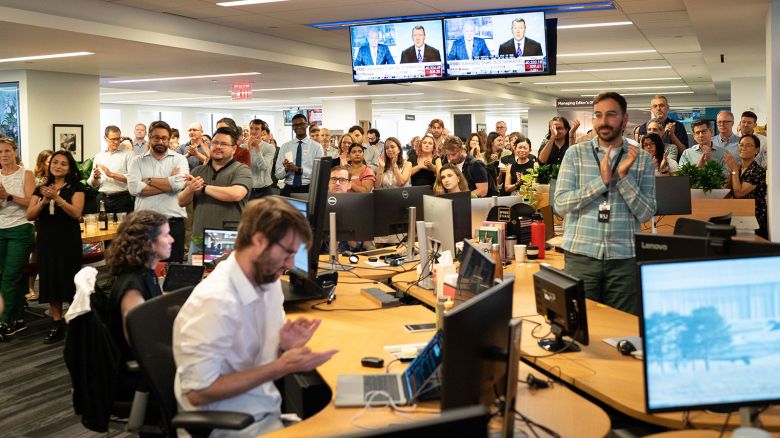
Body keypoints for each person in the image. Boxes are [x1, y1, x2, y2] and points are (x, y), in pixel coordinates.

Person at [173, 197, 338, 436]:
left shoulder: (266, 280)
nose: (291, 264)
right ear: (259, 241)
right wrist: (280, 367)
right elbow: (198, 394)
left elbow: (253, 353)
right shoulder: (215, 302)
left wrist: (283, 345)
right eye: (288, 252)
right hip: (228, 427)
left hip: (262, 411)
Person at [554, 92, 656, 314]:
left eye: (611, 114)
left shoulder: (642, 159)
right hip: (581, 256)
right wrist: (602, 181)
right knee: (580, 325)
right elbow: (560, 204)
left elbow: (646, 213)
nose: (604, 121)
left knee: (622, 329)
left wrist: (622, 178)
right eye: (598, 115)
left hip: (624, 259)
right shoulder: (575, 154)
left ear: (624, 119)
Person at [106, 210, 172, 403]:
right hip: (140, 377)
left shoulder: (145, 274)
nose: (172, 240)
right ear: (148, 243)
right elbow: (140, 342)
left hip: (152, 367)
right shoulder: (132, 287)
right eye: (166, 235)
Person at [27, 150, 85, 343]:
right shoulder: (40, 188)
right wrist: (44, 200)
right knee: (51, 280)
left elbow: (76, 213)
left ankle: (78, 322)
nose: (58, 166)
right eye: (55, 163)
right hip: (47, 241)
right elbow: (30, 215)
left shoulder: (75, 188)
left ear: (69, 168)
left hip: (68, 241)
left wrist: (58, 199)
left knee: (70, 281)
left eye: (63, 163)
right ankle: (56, 323)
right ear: (49, 166)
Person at [178, 126, 252, 260]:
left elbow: (236, 194)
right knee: (197, 278)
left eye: (224, 144)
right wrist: (190, 189)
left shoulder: (241, 170)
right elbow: (181, 201)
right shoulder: (198, 171)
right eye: (215, 143)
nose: (218, 146)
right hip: (199, 238)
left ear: (234, 149)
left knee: (224, 279)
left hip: (226, 238)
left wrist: (203, 187)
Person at [127, 121, 189, 263]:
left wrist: (148, 180)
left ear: (168, 139)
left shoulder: (179, 160)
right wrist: (168, 181)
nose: (160, 141)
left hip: (173, 225)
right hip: (144, 226)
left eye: (164, 138)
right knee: (143, 268)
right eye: (156, 137)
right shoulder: (137, 161)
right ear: (149, 137)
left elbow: (179, 184)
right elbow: (134, 189)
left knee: (173, 272)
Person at [0, 138, 35, 337]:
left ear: (15, 152)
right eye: (0, 152)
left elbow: (31, 202)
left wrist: (8, 196)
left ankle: (4, 321)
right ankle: (19, 317)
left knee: (10, 275)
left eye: (7, 151)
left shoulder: (26, 173)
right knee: (8, 275)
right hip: (0, 229)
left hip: (21, 229)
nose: (3, 155)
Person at [724, 134, 767, 239]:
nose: (743, 148)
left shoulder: (758, 171)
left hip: (753, 218)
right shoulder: (738, 168)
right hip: (737, 215)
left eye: (748, 145)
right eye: (741, 145)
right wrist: (732, 172)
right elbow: (727, 192)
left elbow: (739, 193)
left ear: (756, 150)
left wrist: (734, 169)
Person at [88, 125, 134, 213]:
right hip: (102, 199)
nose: (116, 142)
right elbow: (94, 184)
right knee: (103, 226)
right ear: (105, 138)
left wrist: (111, 174)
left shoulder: (129, 154)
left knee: (122, 227)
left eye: (118, 138)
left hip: (122, 199)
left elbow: (133, 178)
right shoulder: (99, 156)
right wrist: (96, 178)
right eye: (113, 139)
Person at [275, 114, 323, 197]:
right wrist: (286, 169)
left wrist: (299, 170)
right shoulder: (285, 147)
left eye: (301, 124)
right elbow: (278, 175)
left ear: (307, 124)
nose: (298, 127)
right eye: (295, 125)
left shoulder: (317, 147)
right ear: (292, 127)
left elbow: (319, 174)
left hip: (308, 189)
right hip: (288, 188)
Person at [246, 119, 277, 199]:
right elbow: (243, 167)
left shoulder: (270, 147)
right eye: (251, 128)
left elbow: (263, 167)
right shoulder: (243, 147)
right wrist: (248, 148)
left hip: (264, 191)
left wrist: (257, 147)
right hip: (247, 189)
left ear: (263, 132)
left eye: (257, 129)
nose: (253, 131)